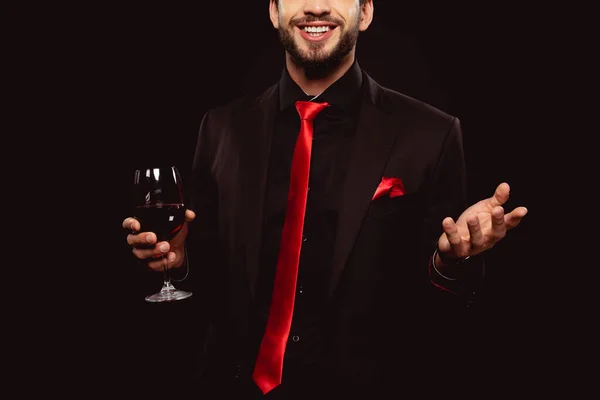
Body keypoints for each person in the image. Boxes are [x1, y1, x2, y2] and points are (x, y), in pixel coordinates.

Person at [123, 0, 528, 398]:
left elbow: (440, 316)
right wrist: (178, 260)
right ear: (273, 11)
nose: (316, 7)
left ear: (365, 12)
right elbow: (212, 273)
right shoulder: (221, 128)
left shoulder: (432, 133)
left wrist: (452, 262)